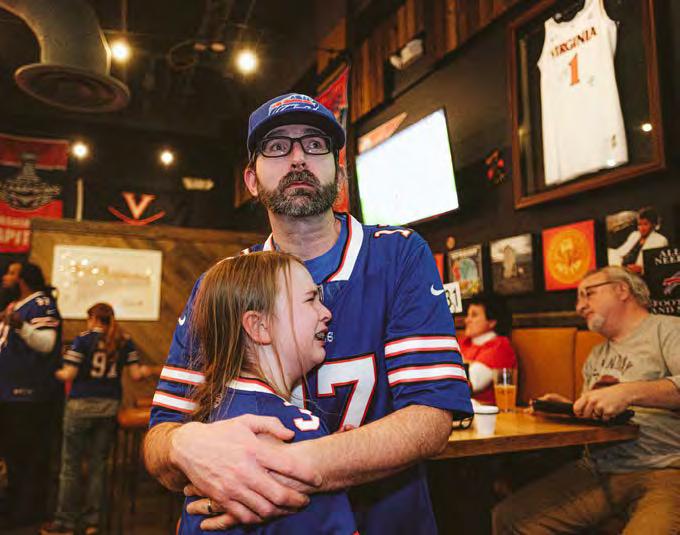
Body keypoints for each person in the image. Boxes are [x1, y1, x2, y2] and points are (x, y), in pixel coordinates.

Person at [144, 92, 472, 534]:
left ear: (340, 171)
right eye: (277, 146)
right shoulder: (222, 285)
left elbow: (431, 418)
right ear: (251, 179)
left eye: (315, 145)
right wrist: (183, 445)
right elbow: (161, 438)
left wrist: (282, 467)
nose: (298, 158)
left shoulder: (399, 255)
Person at [177, 251, 358, 534]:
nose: (326, 313)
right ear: (260, 326)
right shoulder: (288, 431)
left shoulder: (213, 418)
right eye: (310, 300)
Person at [492, 266, 680, 534]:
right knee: (509, 518)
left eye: (588, 294)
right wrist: (567, 407)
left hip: (664, 469)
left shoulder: (668, 330)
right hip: (598, 469)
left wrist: (628, 391)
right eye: (578, 298)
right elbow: (598, 418)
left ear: (622, 290)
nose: (579, 306)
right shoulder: (596, 355)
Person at [41, 303, 155, 535]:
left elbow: (68, 374)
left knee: (70, 467)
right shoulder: (123, 340)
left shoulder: (82, 340)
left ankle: (66, 522)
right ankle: (93, 522)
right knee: (98, 466)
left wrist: (48, 371)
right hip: (108, 409)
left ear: (92, 319)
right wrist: (155, 370)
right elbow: (136, 374)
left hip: (80, 408)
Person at [0, 261, 62, 529]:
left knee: (27, 458)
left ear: (23, 279)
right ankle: (12, 506)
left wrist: (21, 327)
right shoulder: (16, 305)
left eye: (12, 273)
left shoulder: (40, 303)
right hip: (9, 393)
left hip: (28, 396)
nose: (6, 277)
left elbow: (46, 343)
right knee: (12, 457)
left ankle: (26, 513)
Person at [460, 295, 517, 404]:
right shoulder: (464, 342)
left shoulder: (500, 347)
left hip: (485, 412)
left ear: (492, 322)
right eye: (467, 315)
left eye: (474, 315)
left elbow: (466, 384)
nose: (467, 320)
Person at [614, 207, 668, 273]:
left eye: (645, 224)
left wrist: (641, 269)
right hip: (623, 269)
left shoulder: (660, 240)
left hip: (640, 275)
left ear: (653, 224)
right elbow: (620, 252)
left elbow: (659, 267)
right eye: (639, 224)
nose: (641, 228)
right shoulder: (634, 235)